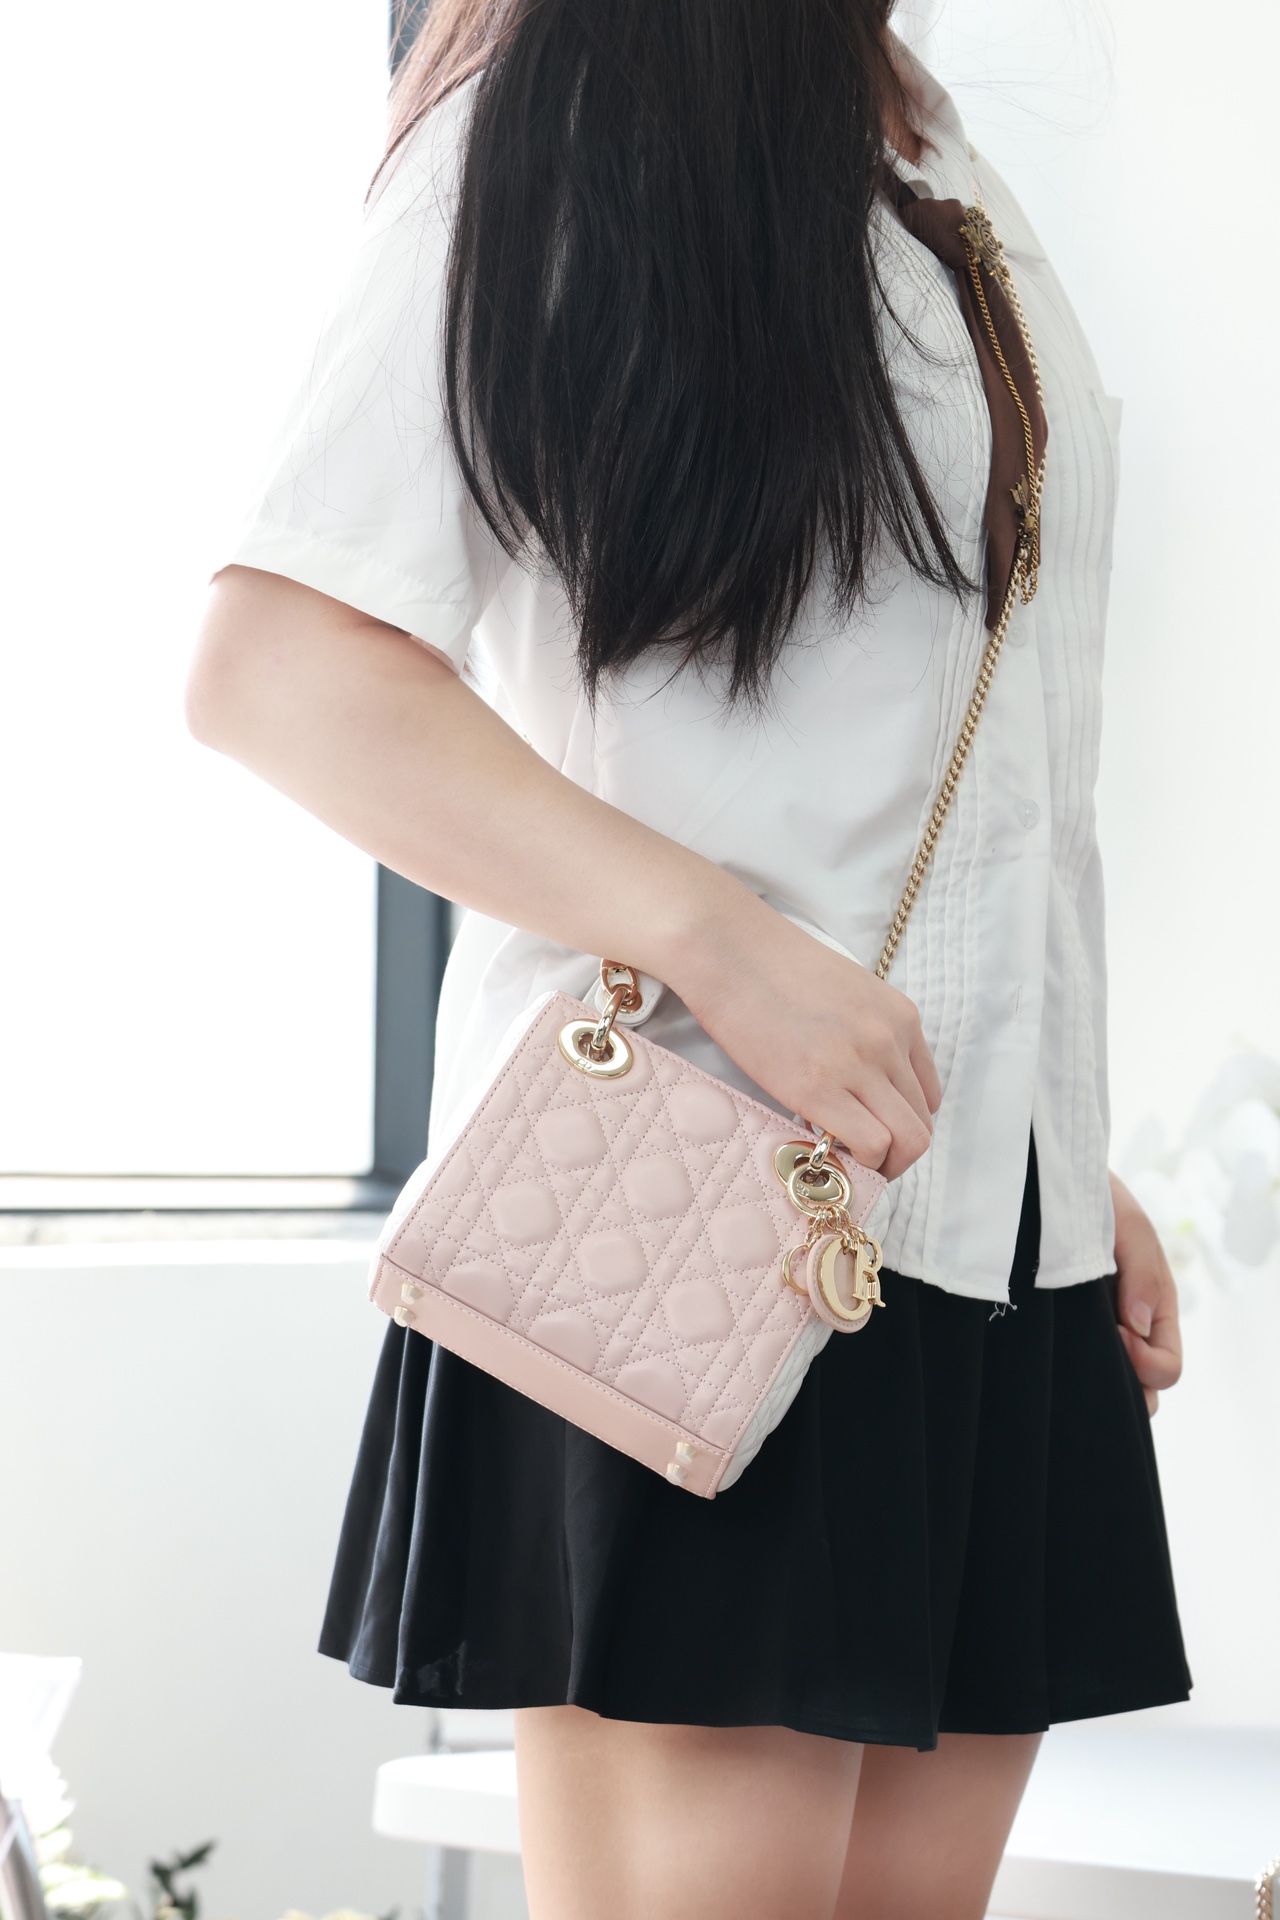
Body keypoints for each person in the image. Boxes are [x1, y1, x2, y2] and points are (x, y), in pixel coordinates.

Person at [186, 2, 1190, 1914]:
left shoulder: (928, 148)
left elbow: (939, 747)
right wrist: (724, 947)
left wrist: (1041, 1140)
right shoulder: (557, 122)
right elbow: (282, 665)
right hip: (691, 1214)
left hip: (963, 1230)